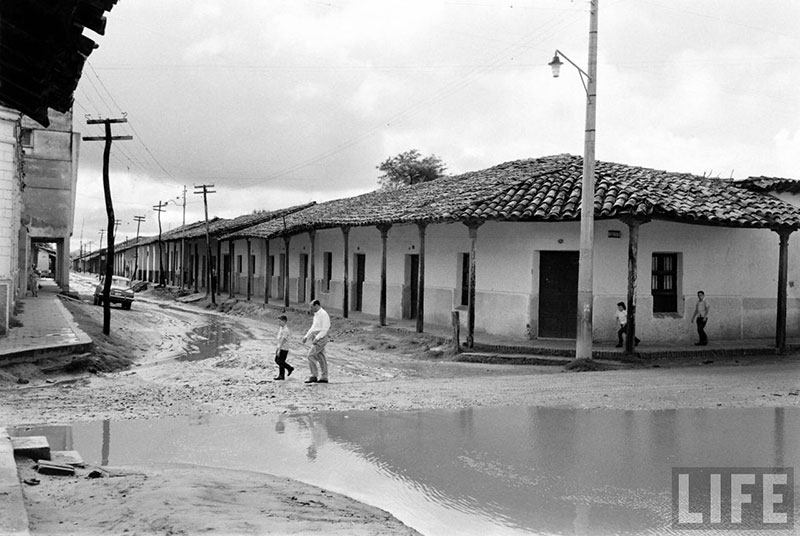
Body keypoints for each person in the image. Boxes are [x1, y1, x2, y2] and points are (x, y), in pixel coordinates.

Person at [302, 299, 330, 384]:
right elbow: (313, 327)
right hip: (316, 335)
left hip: (321, 337)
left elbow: (325, 329)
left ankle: (314, 375)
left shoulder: (323, 314)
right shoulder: (316, 315)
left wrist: (317, 338)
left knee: (311, 355)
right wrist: (306, 336)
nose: (311, 308)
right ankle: (324, 377)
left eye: (312, 306)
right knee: (321, 357)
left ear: (316, 305)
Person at [273, 314, 294, 380]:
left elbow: (284, 339)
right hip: (279, 346)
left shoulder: (285, 330)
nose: (278, 323)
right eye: (278, 321)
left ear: (284, 321)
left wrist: (280, 348)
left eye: (280, 321)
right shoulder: (281, 328)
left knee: (281, 361)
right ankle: (289, 368)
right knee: (277, 360)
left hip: (283, 348)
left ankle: (281, 376)